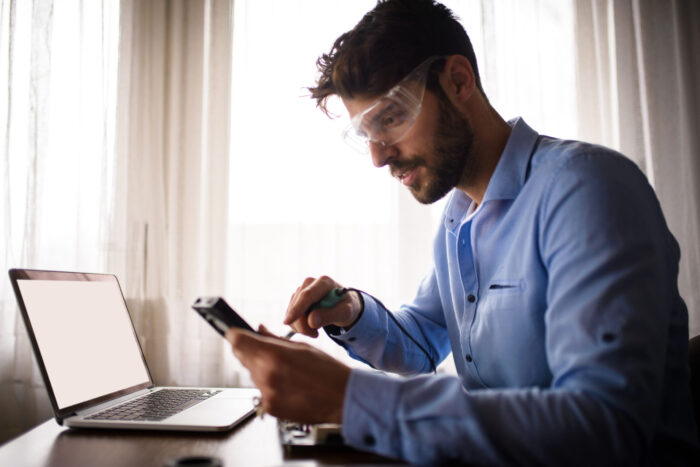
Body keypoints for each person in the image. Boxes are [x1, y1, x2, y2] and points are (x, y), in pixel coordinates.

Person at [226, 0, 700, 464]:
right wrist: (349, 311)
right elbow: (423, 344)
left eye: (390, 119)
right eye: (367, 135)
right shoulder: (458, 217)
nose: (378, 156)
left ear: (457, 81)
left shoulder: (588, 190)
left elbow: (604, 426)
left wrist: (349, 397)